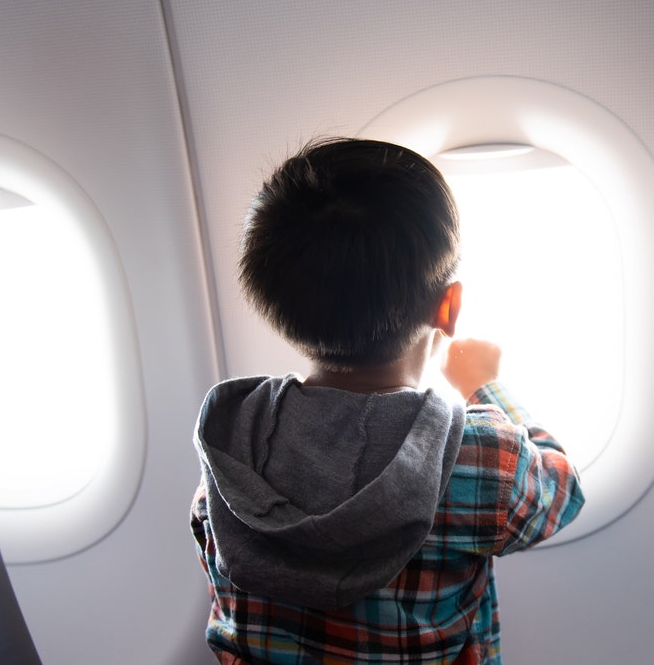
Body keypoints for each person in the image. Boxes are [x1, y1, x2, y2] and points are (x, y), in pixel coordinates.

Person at [191, 137, 584, 664]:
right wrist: (483, 385)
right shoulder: (476, 457)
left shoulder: (235, 442)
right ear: (450, 307)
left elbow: (224, 597)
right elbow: (563, 491)